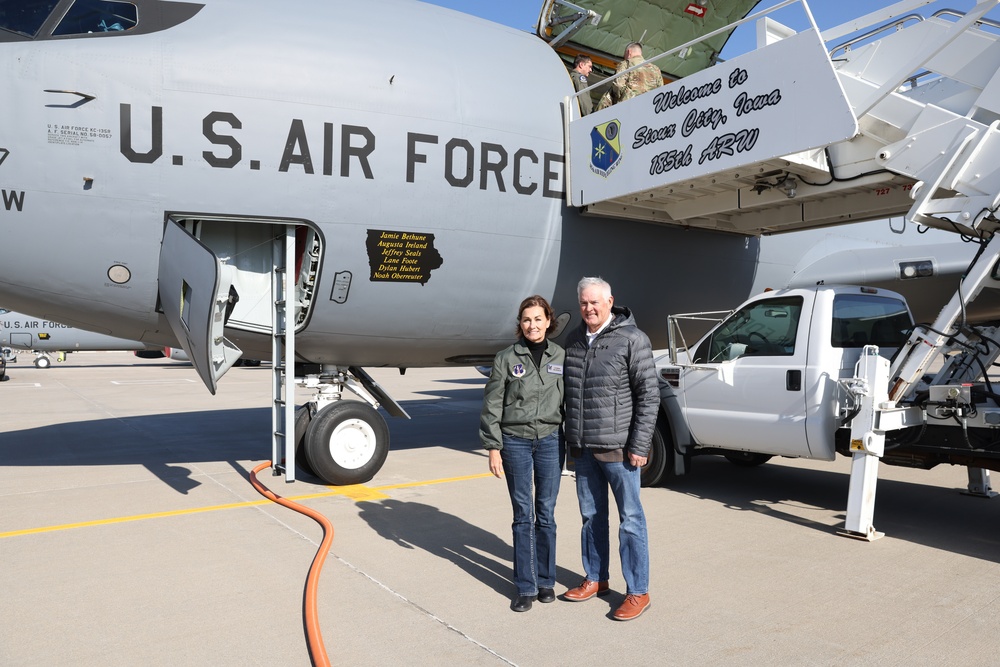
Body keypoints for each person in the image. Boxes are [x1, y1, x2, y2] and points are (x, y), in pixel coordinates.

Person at [562, 277, 658, 621]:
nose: (589, 308)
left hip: (619, 449)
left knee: (630, 520)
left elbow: (649, 395)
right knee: (591, 517)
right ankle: (596, 578)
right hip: (584, 448)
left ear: (610, 302)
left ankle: (638, 591)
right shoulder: (573, 339)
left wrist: (640, 444)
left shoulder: (632, 339)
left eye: (595, 303)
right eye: (584, 303)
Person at [480, 295, 565, 613]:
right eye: (527, 319)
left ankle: (546, 582)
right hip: (515, 441)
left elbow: (567, 402)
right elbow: (492, 402)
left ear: (548, 321)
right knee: (523, 515)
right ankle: (525, 587)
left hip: (550, 441)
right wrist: (493, 446)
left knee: (546, 514)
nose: (533, 325)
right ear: (521, 323)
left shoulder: (560, 355)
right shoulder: (506, 357)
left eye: (538, 319)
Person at [596, 42, 663, 110]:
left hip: (627, 107)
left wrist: (624, 98)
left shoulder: (626, 64)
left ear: (629, 52)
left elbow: (618, 85)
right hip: (647, 109)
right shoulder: (656, 69)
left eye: (624, 56)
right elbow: (661, 92)